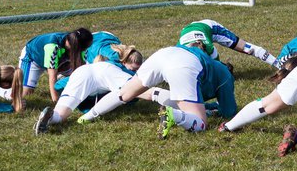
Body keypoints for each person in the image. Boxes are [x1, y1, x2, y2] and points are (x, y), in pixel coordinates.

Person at [75, 22, 235, 135]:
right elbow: (229, 111)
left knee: (123, 93)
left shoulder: (213, 65)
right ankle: (174, 116)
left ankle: (86, 117)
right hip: (184, 65)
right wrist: (212, 108)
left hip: (164, 53)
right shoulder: (226, 77)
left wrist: (207, 106)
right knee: (201, 123)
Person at [34, 34, 144, 133]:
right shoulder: (116, 66)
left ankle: (52, 117)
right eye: (133, 70)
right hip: (98, 70)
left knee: (61, 114)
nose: (134, 72)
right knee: (129, 93)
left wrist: (63, 88)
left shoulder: (108, 59)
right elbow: (137, 88)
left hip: (80, 73)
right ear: (124, 62)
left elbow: (59, 85)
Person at [18, 27, 94, 102]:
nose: (85, 50)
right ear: (77, 47)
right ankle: (7, 90)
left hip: (61, 59)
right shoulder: (52, 47)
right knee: (25, 93)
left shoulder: (76, 41)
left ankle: (62, 78)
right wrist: (56, 102)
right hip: (34, 58)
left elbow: (82, 71)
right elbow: (52, 77)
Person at [189, 19, 277, 66]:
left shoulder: (209, 48)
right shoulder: (180, 51)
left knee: (248, 48)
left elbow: (216, 71)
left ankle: (280, 65)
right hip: (193, 31)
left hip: (212, 28)